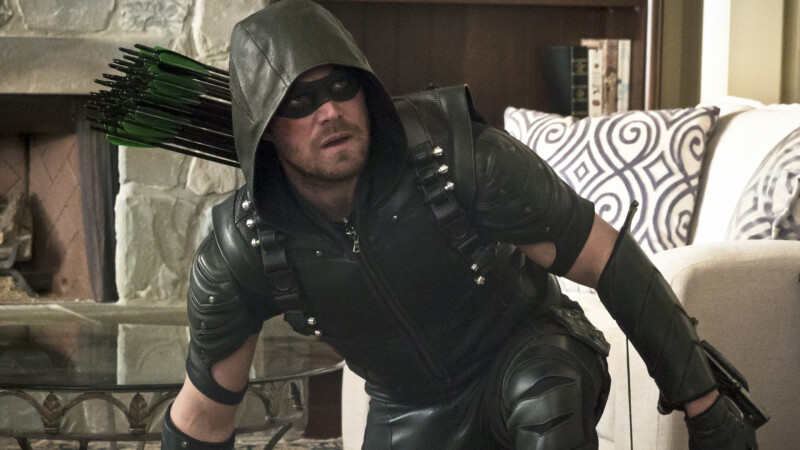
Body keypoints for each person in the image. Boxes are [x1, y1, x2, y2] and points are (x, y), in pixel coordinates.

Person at [161, 1, 759, 448]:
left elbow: (610, 261)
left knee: (545, 402)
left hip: (526, 354)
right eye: (299, 101)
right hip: (408, 408)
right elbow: (203, 414)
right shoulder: (242, 249)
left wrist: (706, 405)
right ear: (263, 129)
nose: (331, 111)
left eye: (342, 86)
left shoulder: (460, 159)